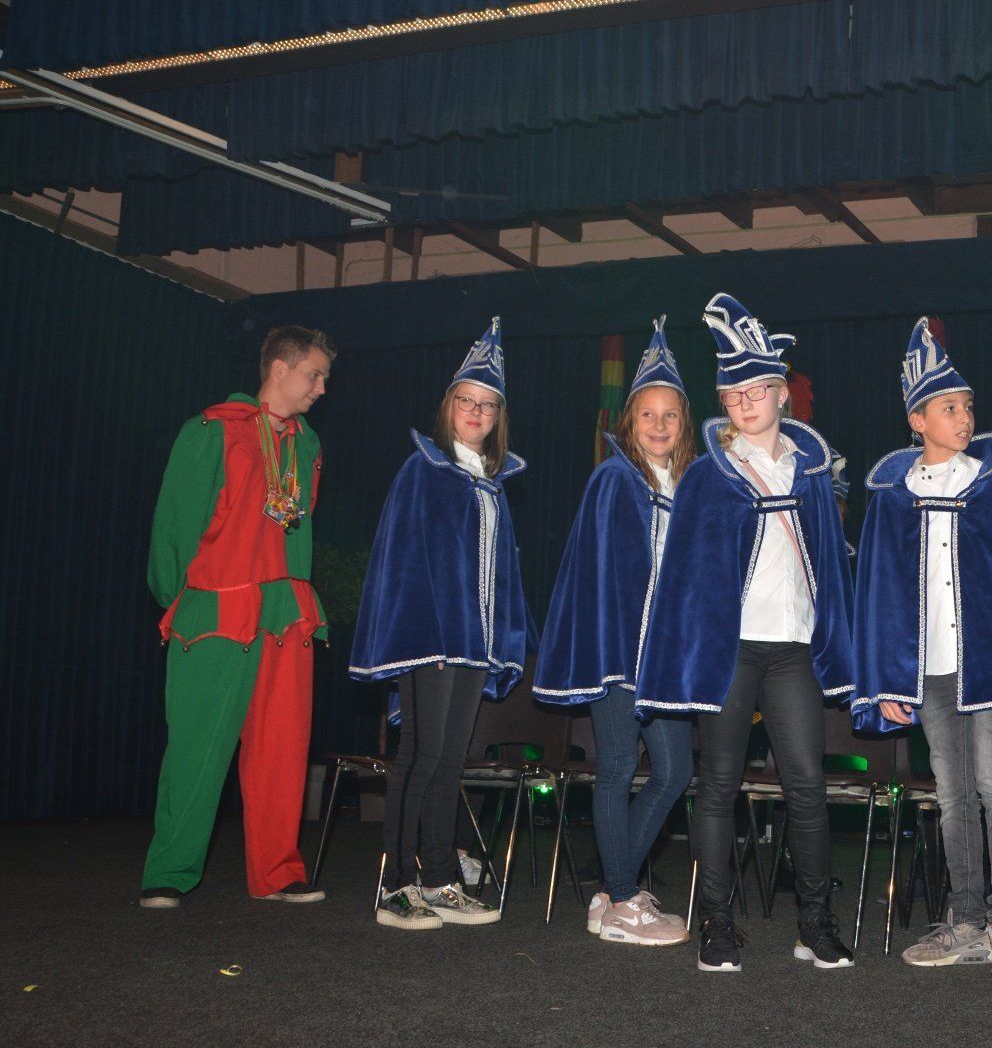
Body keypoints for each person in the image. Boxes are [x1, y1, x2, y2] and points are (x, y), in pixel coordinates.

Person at [633, 293, 857, 973]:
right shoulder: (708, 475)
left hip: (792, 649)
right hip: (729, 650)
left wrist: (839, 640)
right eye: (733, 394)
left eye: (758, 390)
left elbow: (830, 565)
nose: (745, 403)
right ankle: (718, 925)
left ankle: (814, 923)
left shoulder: (811, 471)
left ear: (782, 393)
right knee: (719, 785)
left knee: (807, 785)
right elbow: (685, 576)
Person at [852, 319, 992, 977]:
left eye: (968, 406)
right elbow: (879, 593)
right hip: (929, 671)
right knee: (952, 795)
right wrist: (885, 680)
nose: (964, 417)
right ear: (917, 420)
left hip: (991, 667)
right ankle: (967, 920)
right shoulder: (893, 498)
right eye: (949, 408)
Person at [140, 326, 336, 908]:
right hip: (216, 611)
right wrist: (186, 597)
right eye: (314, 375)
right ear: (279, 369)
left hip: (285, 616)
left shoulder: (307, 445)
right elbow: (175, 528)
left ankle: (278, 872)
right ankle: (168, 873)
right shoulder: (211, 431)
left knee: (283, 750)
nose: (321, 388)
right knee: (197, 748)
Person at [350, 318, 533, 930]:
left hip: (473, 645)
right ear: (448, 407)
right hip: (432, 641)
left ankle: (439, 877)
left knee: (451, 760)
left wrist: (500, 639)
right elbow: (404, 561)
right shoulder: (423, 469)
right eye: (466, 402)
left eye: (487, 405)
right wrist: (423, 638)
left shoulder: (492, 484)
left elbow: (497, 573)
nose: (476, 413)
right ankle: (398, 884)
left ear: (498, 416)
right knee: (421, 756)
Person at [534, 318, 695, 947]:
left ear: (684, 423)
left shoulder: (688, 487)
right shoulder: (615, 478)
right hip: (622, 654)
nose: (658, 425)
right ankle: (624, 899)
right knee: (620, 766)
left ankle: (612, 890)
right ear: (629, 421)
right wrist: (610, 651)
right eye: (647, 414)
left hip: (666, 660)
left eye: (670, 415)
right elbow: (600, 573)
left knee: (674, 771)